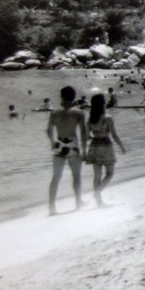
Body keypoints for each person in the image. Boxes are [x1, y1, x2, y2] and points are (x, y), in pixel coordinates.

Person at [47, 86, 87, 216]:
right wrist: (85, 149)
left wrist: (52, 141)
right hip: (72, 144)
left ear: (62, 97)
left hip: (59, 143)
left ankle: (52, 207)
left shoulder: (54, 112)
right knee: (76, 176)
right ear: (74, 97)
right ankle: (78, 203)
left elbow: (49, 130)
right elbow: (83, 132)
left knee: (56, 177)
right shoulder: (79, 113)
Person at [84, 94, 126, 207]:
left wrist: (95, 137)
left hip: (94, 146)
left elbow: (87, 136)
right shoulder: (108, 118)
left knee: (97, 175)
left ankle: (99, 202)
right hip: (106, 145)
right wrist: (122, 146)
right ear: (103, 104)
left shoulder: (90, 119)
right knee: (110, 173)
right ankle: (97, 193)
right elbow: (114, 135)